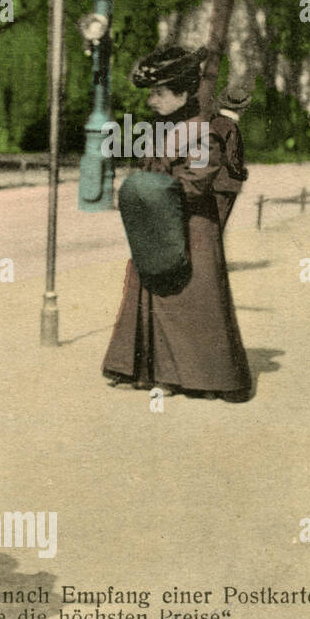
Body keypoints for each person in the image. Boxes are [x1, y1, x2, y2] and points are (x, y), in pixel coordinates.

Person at [102, 45, 252, 401]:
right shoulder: (163, 126)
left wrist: (151, 187)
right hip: (160, 221)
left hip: (193, 226)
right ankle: (145, 369)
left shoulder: (203, 131)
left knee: (188, 300)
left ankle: (196, 377)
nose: (152, 100)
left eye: (159, 93)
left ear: (183, 93)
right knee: (149, 287)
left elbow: (197, 181)